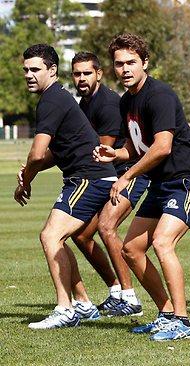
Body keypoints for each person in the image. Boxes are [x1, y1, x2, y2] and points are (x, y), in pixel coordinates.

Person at [94, 33, 190, 341]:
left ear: (144, 63)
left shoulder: (159, 95)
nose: (125, 69)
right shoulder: (127, 101)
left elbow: (161, 147)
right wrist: (115, 154)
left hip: (186, 182)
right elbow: (137, 147)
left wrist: (126, 175)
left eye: (131, 62)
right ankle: (167, 313)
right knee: (131, 249)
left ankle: (183, 322)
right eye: (119, 64)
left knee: (162, 243)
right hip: (162, 185)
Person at [16, 44, 116, 329]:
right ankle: (82, 303)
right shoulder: (57, 98)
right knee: (55, 237)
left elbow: (37, 153)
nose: (29, 75)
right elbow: (56, 153)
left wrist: (26, 180)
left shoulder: (51, 100)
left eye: (35, 69)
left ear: (51, 70)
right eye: (26, 70)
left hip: (91, 178)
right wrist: (29, 173)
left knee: (50, 236)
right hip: (86, 177)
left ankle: (65, 308)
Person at [70, 51, 145, 316]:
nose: (81, 78)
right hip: (106, 175)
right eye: (77, 74)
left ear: (99, 74)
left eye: (87, 73)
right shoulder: (84, 104)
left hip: (130, 171)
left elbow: (102, 150)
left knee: (106, 226)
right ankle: (115, 291)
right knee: (80, 234)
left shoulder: (108, 103)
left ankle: (131, 298)